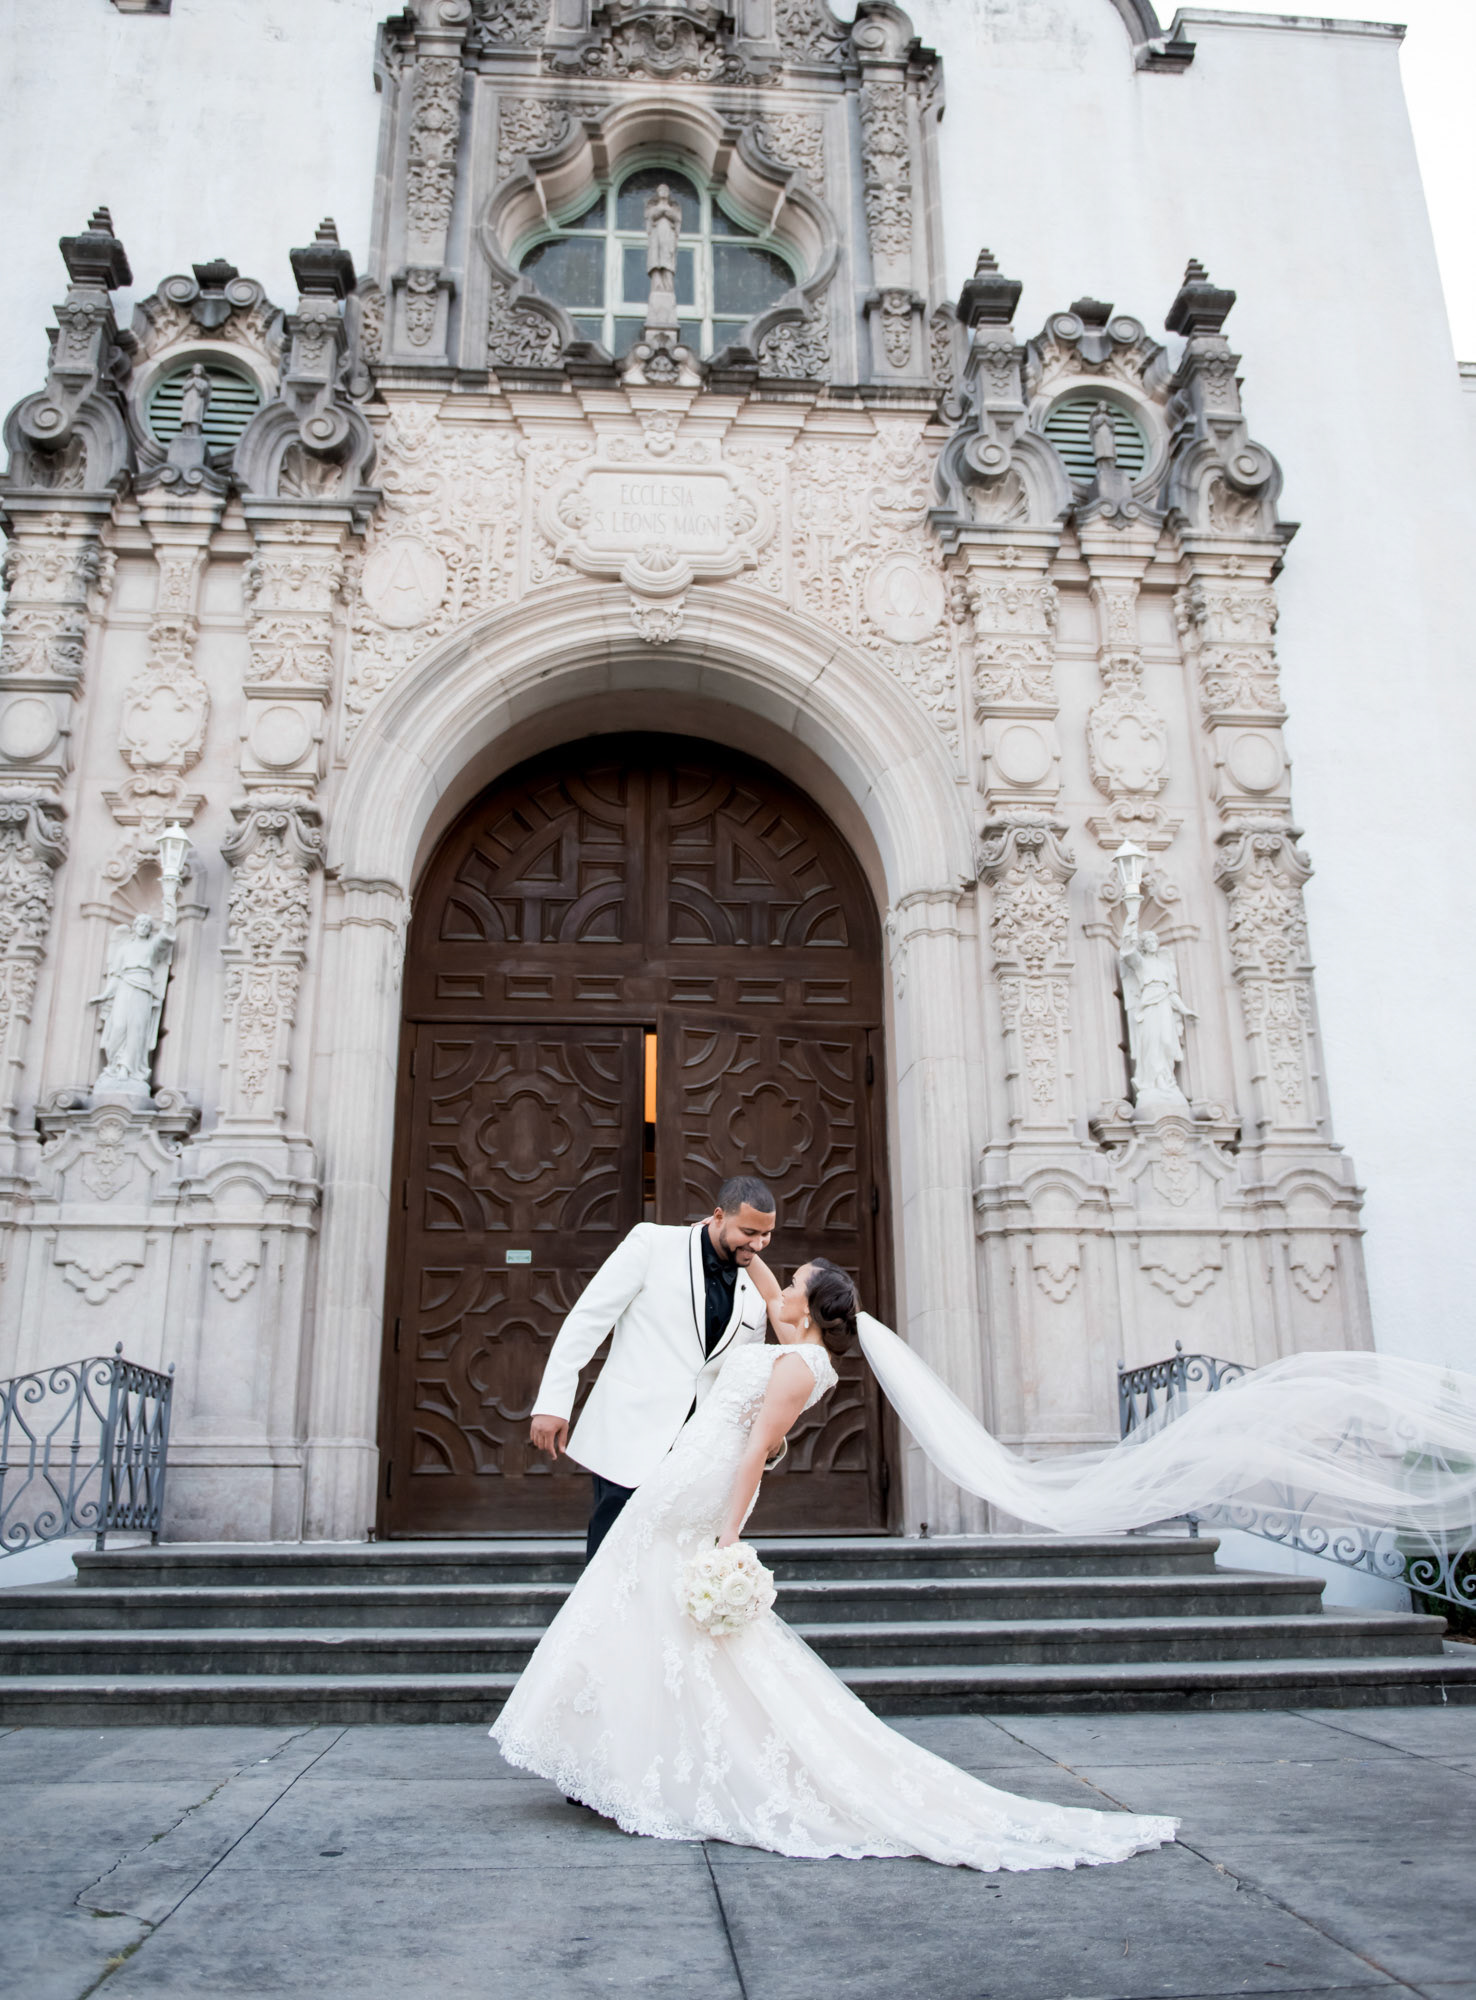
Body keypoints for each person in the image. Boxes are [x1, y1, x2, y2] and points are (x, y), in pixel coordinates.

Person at [495, 1256, 1180, 1872]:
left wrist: (728, 1536)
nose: (781, 1287)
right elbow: (769, 1295)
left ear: (811, 1307)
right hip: (685, 1472)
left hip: (700, 1487)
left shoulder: (799, 1366)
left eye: (795, 1283)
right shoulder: (801, 1348)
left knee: (644, 1598)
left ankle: (639, 1758)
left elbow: (755, 1451)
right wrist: (745, 1249)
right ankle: (626, 1754)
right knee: (643, 1605)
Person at [529, 1175, 776, 1561]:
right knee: (610, 1561)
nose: (758, 1245)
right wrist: (553, 1403)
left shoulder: (759, 1291)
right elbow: (588, 1319)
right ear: (718, 1216)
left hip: (697, 1453)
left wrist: (761, 1439)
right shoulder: (652, 1243)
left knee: (673, 1566)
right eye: (749, 1232)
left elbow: (746, 1376)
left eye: (766, 1235)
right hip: (630, 1434)